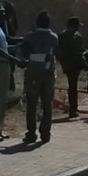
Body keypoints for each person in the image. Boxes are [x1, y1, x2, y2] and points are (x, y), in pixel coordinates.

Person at [0, 2, 27, 143]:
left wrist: (19, 44)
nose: (4, 15)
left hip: (3, 65)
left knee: (1, 99)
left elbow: (4, 46)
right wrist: (16, 60)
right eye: (1, 12)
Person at [19, 11, 58, 143]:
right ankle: (45, 133)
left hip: (33, 73)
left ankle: (31, 133)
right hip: (49, 73)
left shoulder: (30, 37)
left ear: (37, 23)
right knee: (47, 104)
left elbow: (24, 53)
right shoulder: (54, 37)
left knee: (32, 104)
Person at [57, 17, 88, 118]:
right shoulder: (76, 36)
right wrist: (85, 63)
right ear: (75, 25)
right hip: (75, 63)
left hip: (66, 63)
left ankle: (73, 109)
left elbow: (58, 50)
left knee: (72, 85)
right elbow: (79, 53)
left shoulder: (61, 35)